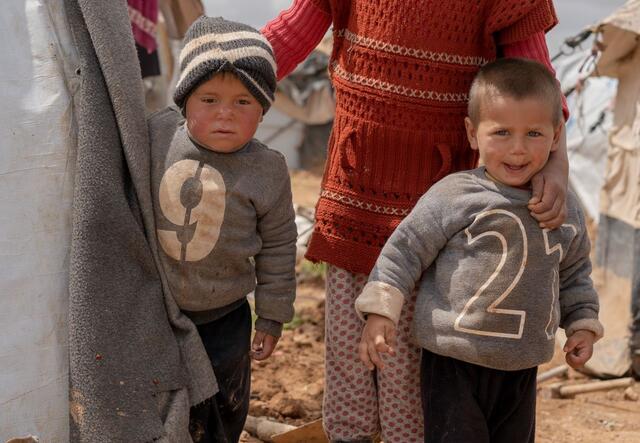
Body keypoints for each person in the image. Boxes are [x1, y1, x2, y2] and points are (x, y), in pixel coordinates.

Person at [263, 1, 570, 441]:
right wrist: (233, 70)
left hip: (443, 210)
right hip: (356, 192)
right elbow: (291, 34)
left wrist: (557, 164)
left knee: (410, 362)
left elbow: (532, 80)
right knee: (350, 354)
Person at [355, 58, 604, 443]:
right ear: (473, 133)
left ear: (557, 136)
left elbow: (573, 272)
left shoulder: (562, 204)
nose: (518, 149)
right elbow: (404, 251)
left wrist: (582, 322)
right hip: (454, 358)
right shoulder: (455, 195)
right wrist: (380, 310)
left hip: (522, 362)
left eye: (534, 134)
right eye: (501, 132)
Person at [147, 16, 297, 442]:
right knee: (162, 405)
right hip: (158, 311)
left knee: (224, 409)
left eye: (244, 102)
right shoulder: (157, 136)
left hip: (226, 315)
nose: (225, 115)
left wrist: (272, 316)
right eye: (209, 99)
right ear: (184, 101)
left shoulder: (267, 170)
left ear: (265, 109)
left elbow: (280, 245)